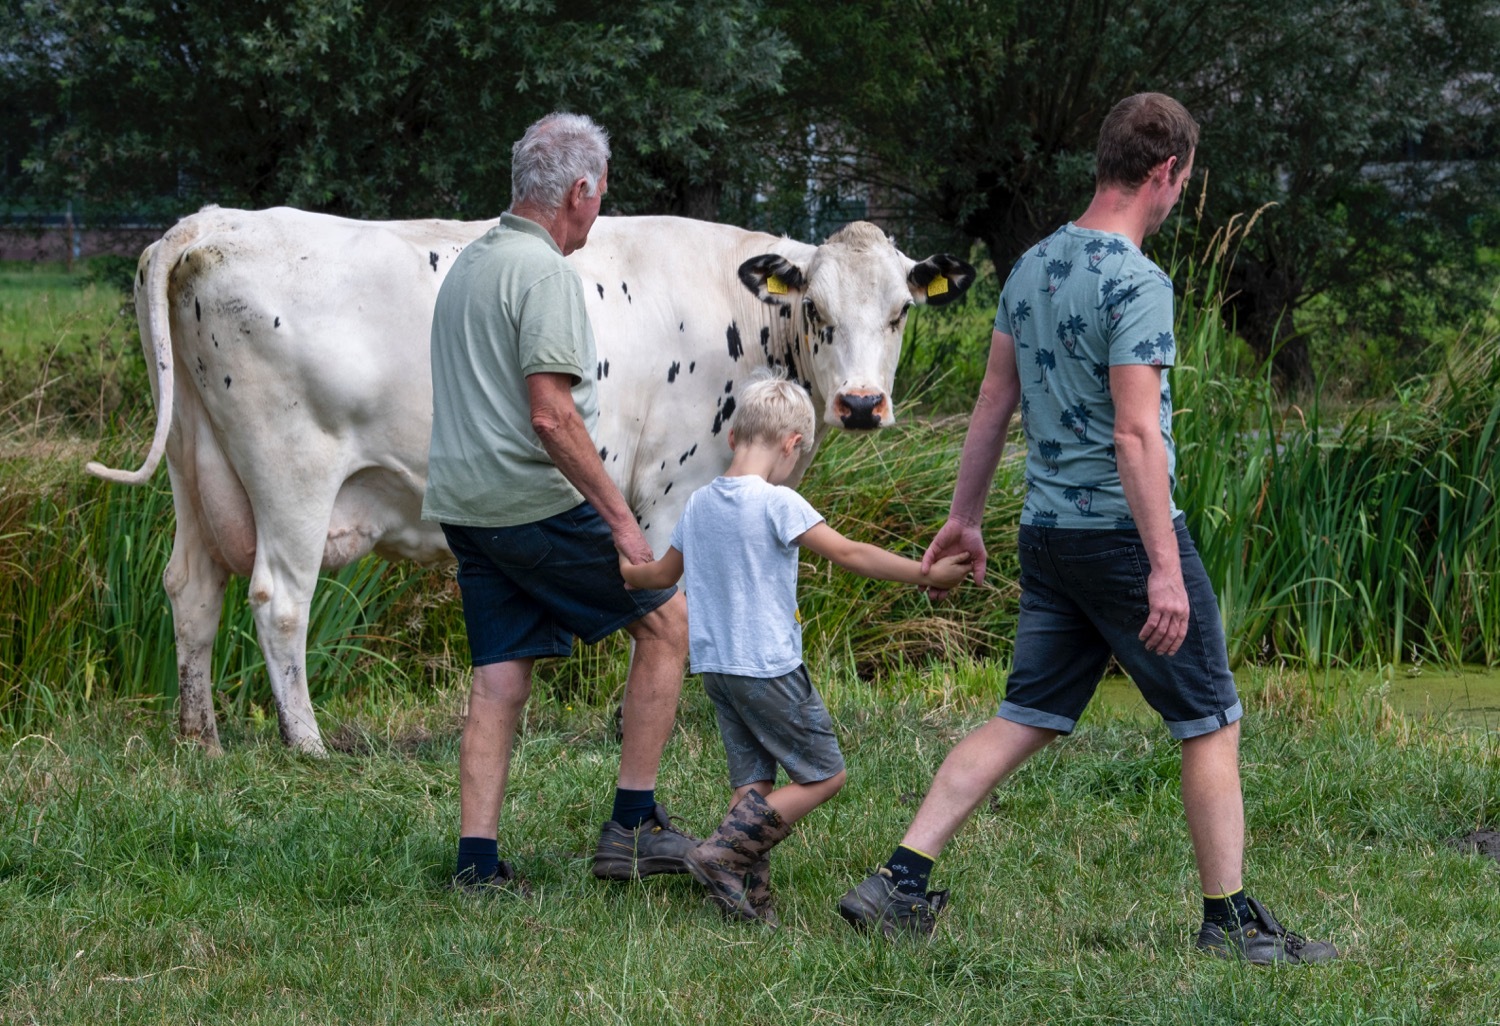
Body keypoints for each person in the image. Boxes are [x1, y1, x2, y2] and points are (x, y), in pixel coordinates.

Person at [835, 93, 1338, 965]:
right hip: (1122, 534)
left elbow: (994, 403)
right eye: (1184, 181)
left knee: (1027, 712)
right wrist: (1164, 569)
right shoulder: (1136, 281)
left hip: (1047, 534)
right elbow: (1137, 434)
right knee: (1210, 720)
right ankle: (1231, 924)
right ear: (1166, 173)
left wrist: (964, 518)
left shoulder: (1030, 266)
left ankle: (898, 882)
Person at [423, 112, 697, 891]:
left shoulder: (473, 264)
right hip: (531, 505)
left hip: (466, 506)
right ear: (579, 190)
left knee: (500, 675)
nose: (599, 208)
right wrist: (622, 523)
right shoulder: (544, 275)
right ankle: (634, 827)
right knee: (667, 621)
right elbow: (551, 414)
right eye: (600, 193)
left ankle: (477, 864)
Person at [620, 372, 972, 925]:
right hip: (769, 669)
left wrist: (621, 571)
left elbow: (661, 574)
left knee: (753, 784)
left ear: (733, 438)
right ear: (792, 445)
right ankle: (720, 855)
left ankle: (749, 905)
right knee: (825, 775)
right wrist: (925, 572)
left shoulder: (698, 505)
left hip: (717, 670)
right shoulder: (778, 502)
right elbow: (852, 553)